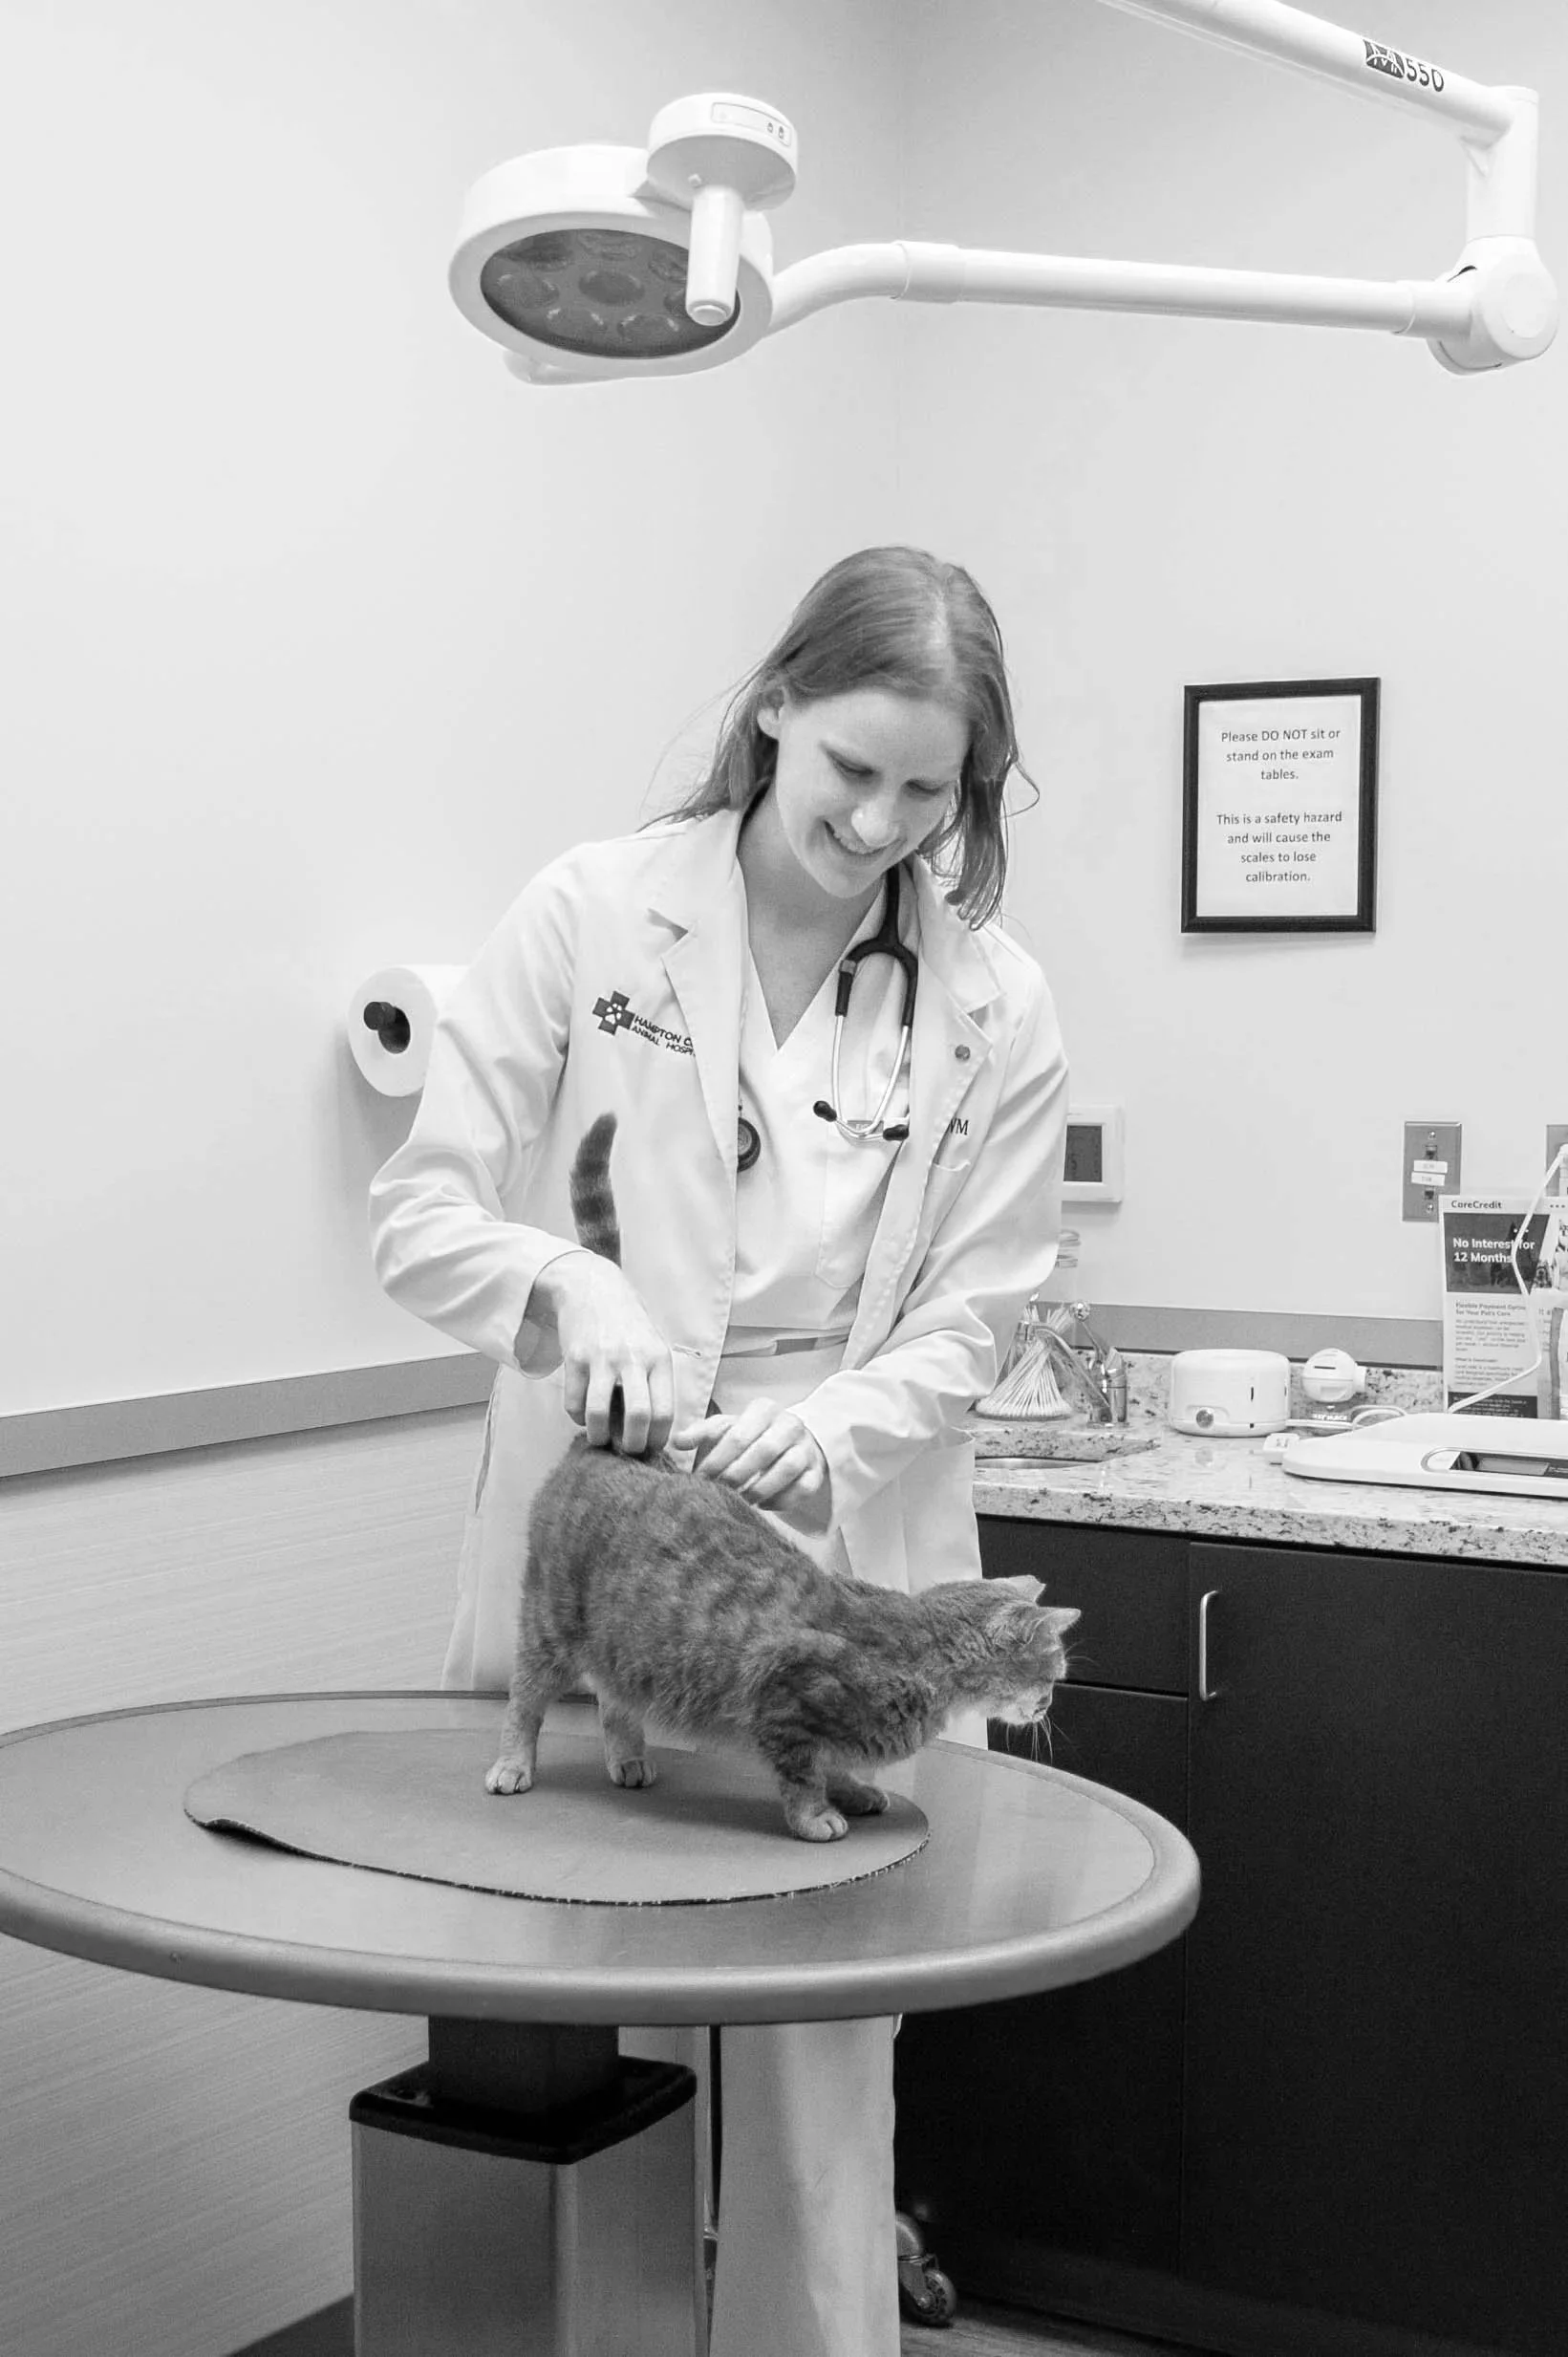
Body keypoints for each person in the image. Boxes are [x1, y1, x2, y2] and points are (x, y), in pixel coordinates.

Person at [368, 543, 1068, 2357]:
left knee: (825, 2064)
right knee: (553, 2001)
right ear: (774, 705)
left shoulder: (998, 1004)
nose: (882, 822)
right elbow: (421, 1211)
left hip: (838, 1525)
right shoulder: (592, 913)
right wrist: (564, 1290)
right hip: (601, 1512)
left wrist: (826, 1433)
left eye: (932, 792)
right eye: (853, 767)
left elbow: (979, 1306)